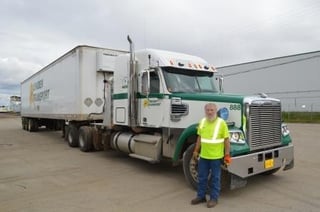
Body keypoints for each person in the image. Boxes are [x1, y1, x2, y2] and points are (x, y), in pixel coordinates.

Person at [191, 103, 231, 208]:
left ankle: (214, 198)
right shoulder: (202, 122)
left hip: (216, 157)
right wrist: (196, 151)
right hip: (204, 156)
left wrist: (227, 155)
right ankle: (201, 196)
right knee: (202, 177)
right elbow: (199, 138)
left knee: (215, 178)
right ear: (205, 111)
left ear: (215, 111)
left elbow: (227, 140)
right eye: (208, 110)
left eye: (212, 110)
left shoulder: (221, 123)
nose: (209, 112)